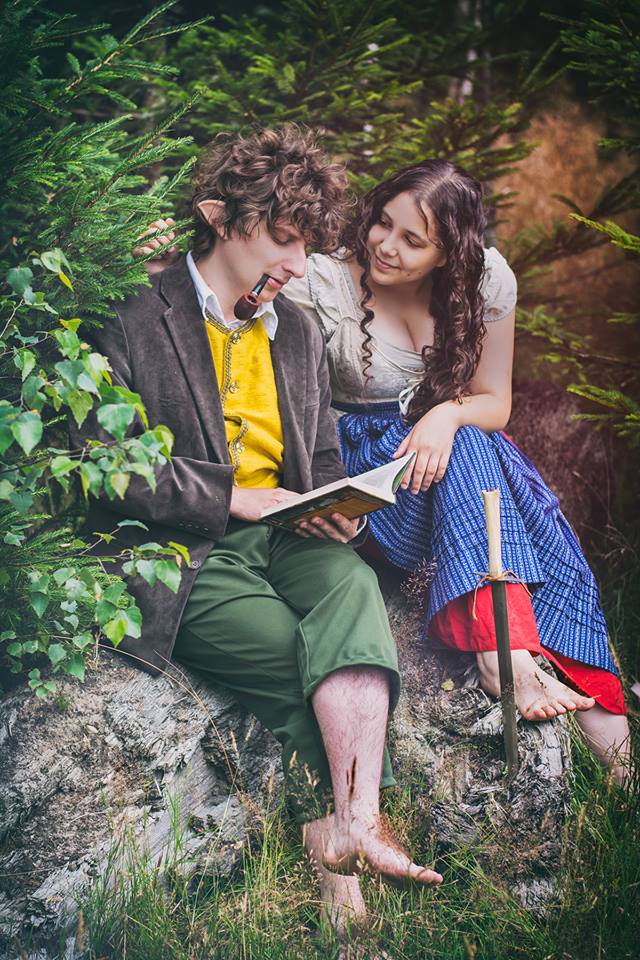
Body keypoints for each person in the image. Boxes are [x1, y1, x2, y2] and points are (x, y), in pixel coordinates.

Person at [138, 158, 630, 788]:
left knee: (517, 505)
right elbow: (225, 277)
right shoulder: (321, 281)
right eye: (383, 224)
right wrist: (154, 253)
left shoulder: (486, 282)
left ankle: (619, 772)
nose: (386, 246)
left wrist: (445, 415)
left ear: (450, 256)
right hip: (360, 467)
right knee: (480, 469)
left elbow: (494, 402)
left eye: (413, 241)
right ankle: (502, 653)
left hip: (441, 460)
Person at [73, 125, 443, 943]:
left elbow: (316, 459)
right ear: (219, 219)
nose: (299, 264)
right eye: (283, 238)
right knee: (297, 659)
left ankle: (352, 824)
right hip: (181, 552)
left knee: (352, 585)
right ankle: (343, 874)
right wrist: (231, 497)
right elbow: (101, 464)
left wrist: (333, 506)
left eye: (307, 244)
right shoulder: (133, 315)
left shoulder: (298, 331)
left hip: (285, 535)